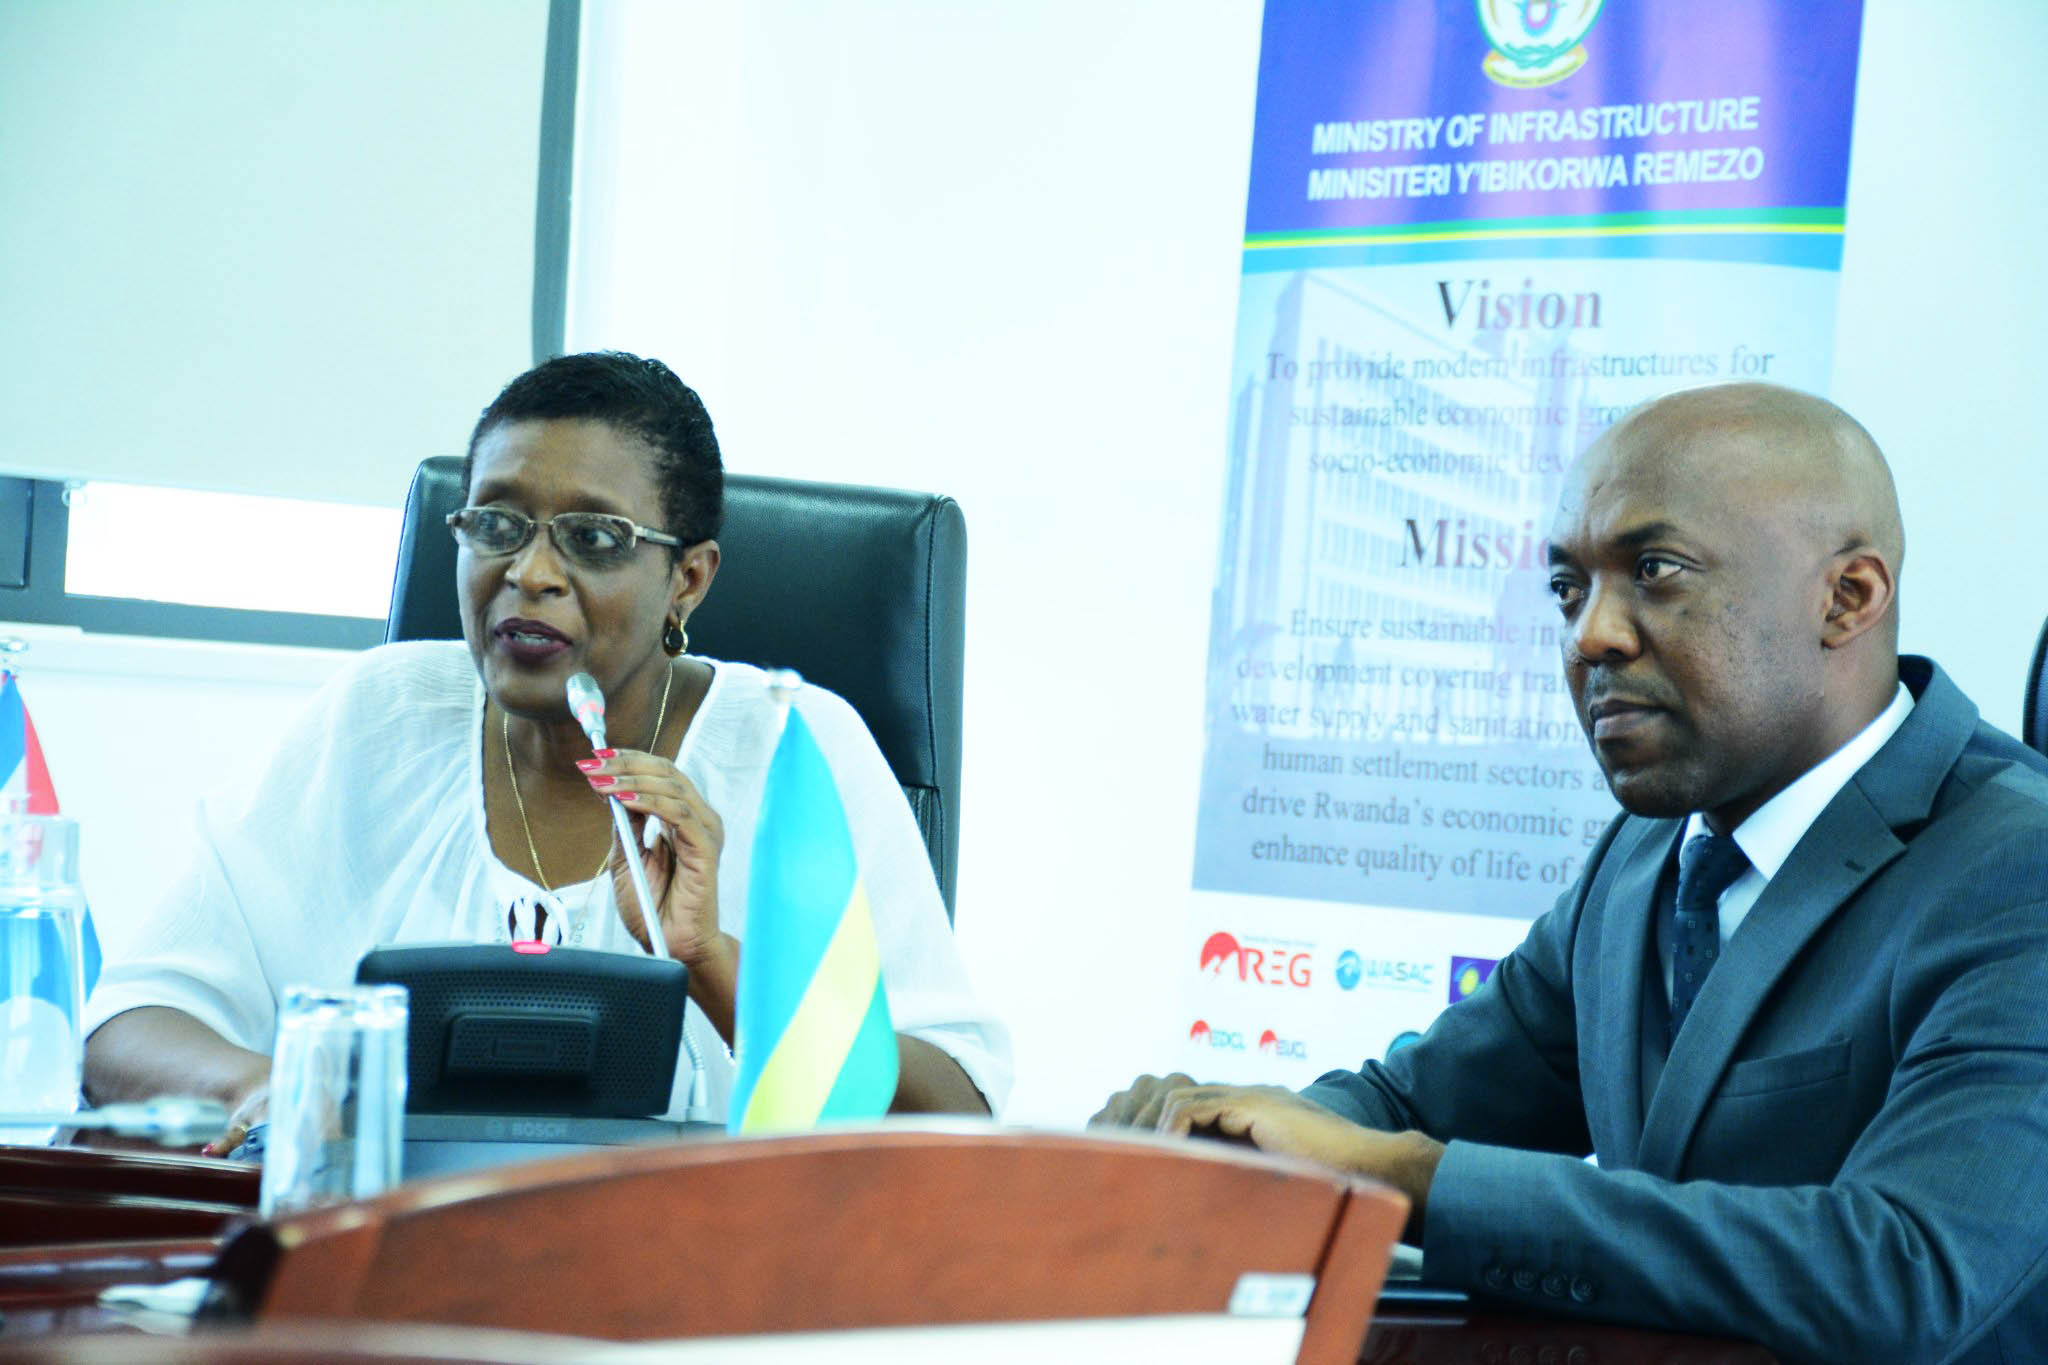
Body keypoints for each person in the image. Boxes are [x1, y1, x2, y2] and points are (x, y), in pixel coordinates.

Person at [1094, 383, 2048, 1362]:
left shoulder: (2017, 867)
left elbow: (1904, 1274)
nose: (1590, 634)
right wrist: (1221, 1146)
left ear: (1845, 597)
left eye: (1652, 570)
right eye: (1567, 590)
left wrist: (1406, 1174)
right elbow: (1411, 1106)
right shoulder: (1647, 852)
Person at [84, 351, 1010, 1148]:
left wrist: (711, 963)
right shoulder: (376, 717)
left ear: (687, 578)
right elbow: (127, 1025)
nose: (528, 571)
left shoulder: (794, 752)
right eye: (495, 523)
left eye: (594, 539)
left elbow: (956, 1112)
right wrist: (271, 1086)